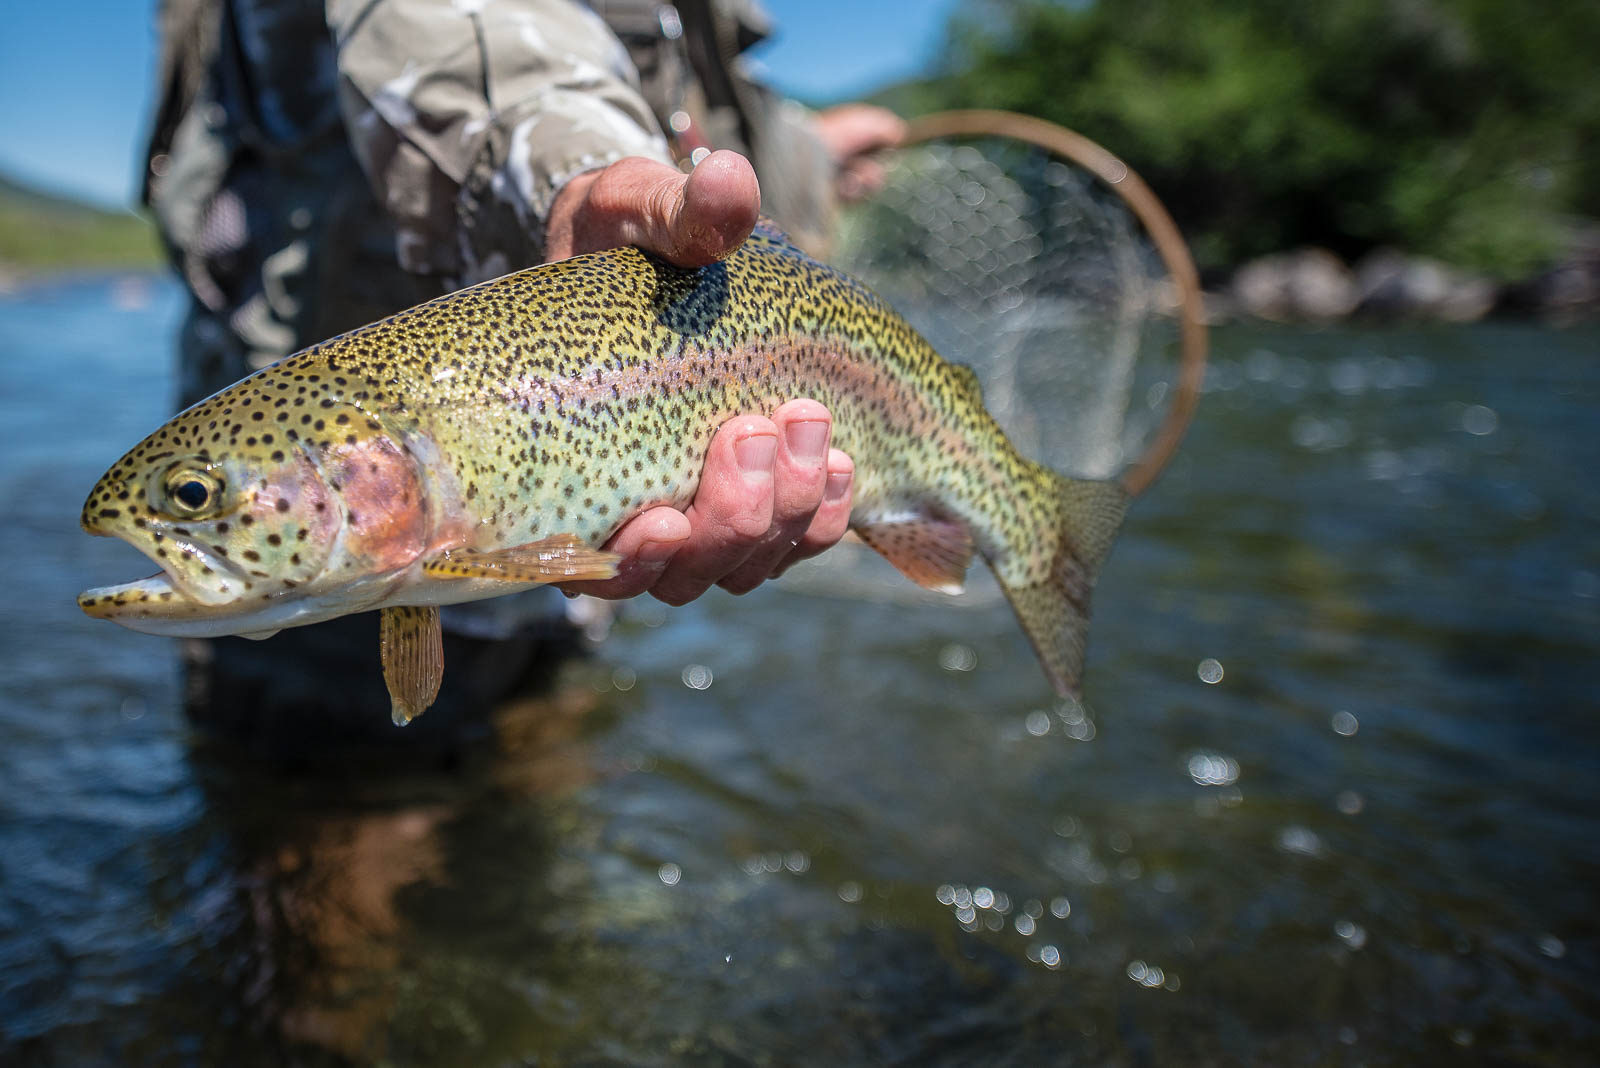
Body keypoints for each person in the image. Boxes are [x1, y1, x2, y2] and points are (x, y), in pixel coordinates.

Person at [141, 0, 906, 748]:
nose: (186, 515)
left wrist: (801, 153)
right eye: (197, 498)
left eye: (195, 497)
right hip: (347, 607)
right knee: (346, 825)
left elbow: (683, 94)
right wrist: (577, 180)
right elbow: (474, 38)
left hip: (575, 566)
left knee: (546, 765)